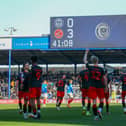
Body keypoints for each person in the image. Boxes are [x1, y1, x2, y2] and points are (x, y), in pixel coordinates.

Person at [84, 49, 107, 120]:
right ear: (98, 61)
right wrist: (106, 87)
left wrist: (86, 52)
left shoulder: (90, 68)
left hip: (92, 86)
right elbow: (105, 78)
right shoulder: (101, 69)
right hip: (100, 86)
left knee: (94, 101)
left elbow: (85, 61)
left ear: (92, 61)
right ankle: (99, 110)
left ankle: (96, 116)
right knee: (102, 100)